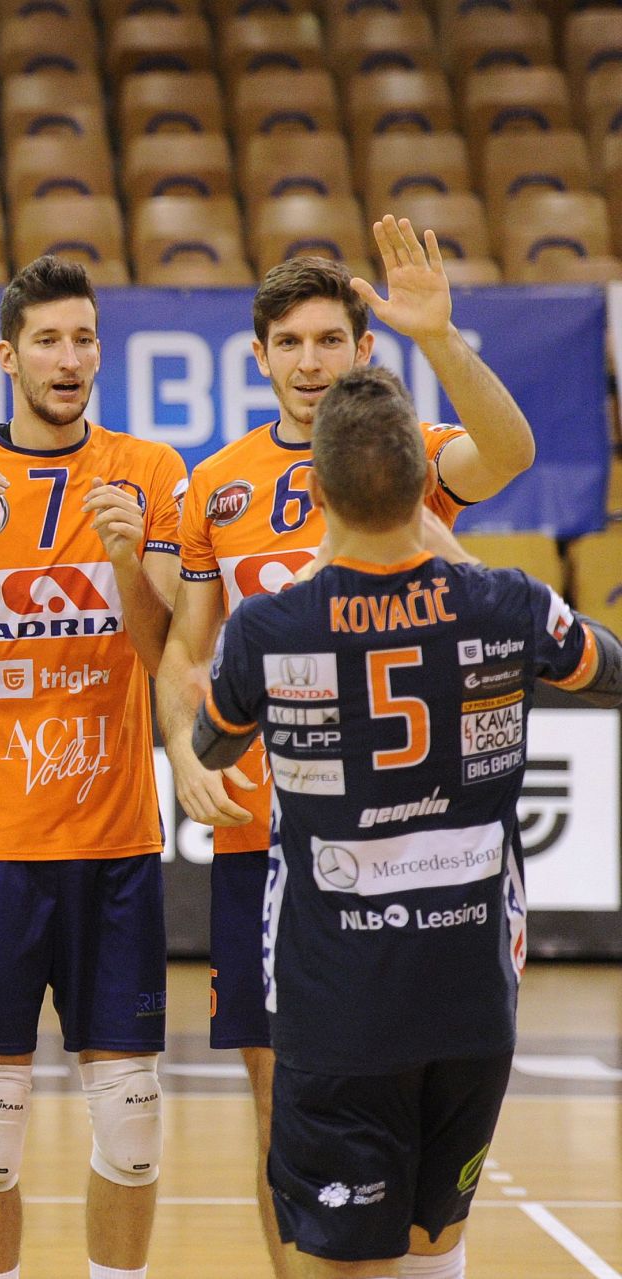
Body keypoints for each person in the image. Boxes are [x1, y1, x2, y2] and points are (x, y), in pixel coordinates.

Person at [156, 222, 535, 1277]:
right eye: (290, 342)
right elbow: (187, 650)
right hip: (269, 841)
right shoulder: (216, 484)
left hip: (412, 838)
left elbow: (509, 453)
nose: (311, 360)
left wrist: (442, 338)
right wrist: (184, 750)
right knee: (282, 1106)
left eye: (331, 339)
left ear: (363, 349)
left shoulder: (399, 452)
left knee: (417, 1102)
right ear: (259, 356)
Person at [191, 364, 620, 1279]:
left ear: (317, 491)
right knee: (435, 1242)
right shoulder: (507, 602)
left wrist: (318, 570)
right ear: (428, 486)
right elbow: (609, 668)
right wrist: (454, 558)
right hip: (471, 993)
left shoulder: (271, 628)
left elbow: (214, 740)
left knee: (342, 1260)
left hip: (338, 1000)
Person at [0, 256, 186, 1279]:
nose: (69, 359)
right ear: (8, 356)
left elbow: (168, 658)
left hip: (116, 840)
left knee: (135, 1121)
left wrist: (129, 563)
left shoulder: (151, 470)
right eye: (49, 340)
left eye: (84, 339)